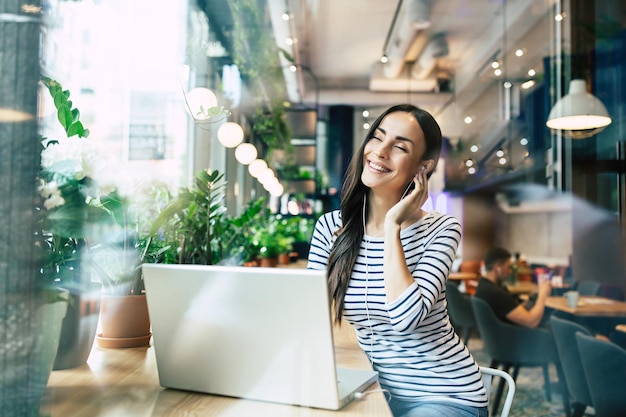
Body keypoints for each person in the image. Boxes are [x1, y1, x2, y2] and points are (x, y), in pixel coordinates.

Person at [307, 104, 488, 417]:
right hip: (371, 389)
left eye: (400, 146)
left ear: (422, 167)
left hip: (443, 395)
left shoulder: (442, 229)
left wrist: (392, 227)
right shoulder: (330, 228)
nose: (380, 151)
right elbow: (307, 316)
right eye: (377, 138)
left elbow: (406, 319)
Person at [474, 247, 552, 328]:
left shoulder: (483, 286)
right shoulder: (495, 293)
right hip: (515, 336)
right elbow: (532, 322)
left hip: (499, 334)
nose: (510, 271)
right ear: (498, 267)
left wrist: (534, 295)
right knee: (553, 324)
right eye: (509, 267)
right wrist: (543, 295)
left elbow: (510, 308)